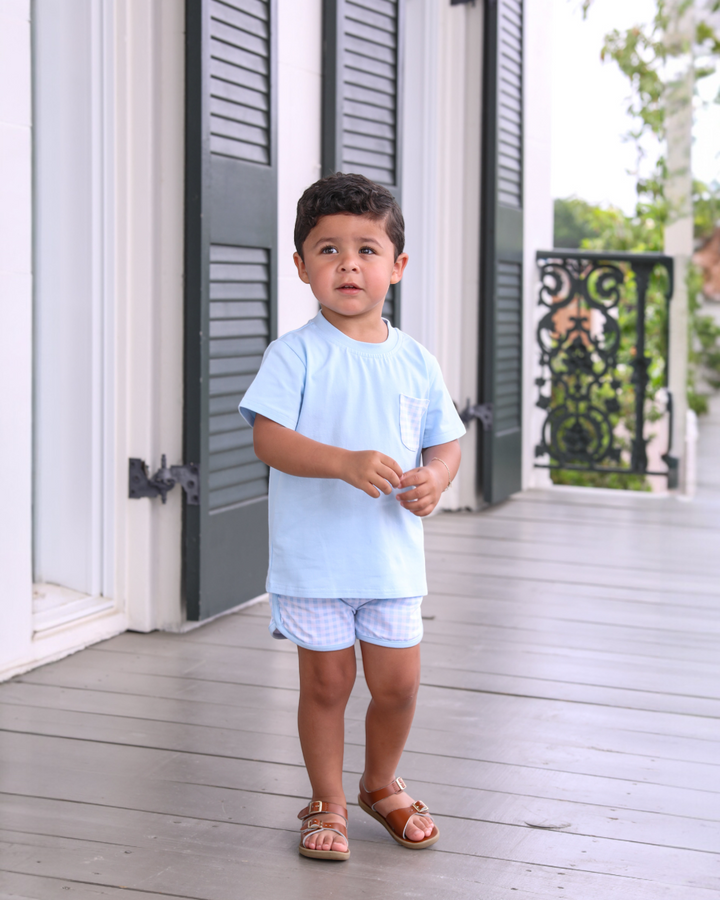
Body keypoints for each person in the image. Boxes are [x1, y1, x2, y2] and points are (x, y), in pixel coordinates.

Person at [239, 172, 465, 861]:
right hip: (315, 560)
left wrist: (435, 479)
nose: (347, 264)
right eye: (328, 249)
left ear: (396, 267)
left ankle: (380, 782)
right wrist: (341, 462)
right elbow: (268, 438)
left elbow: (445, 440)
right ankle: (327, 800)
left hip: (391, 557)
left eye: (366, 249)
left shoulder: (415, 360)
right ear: (302, 265)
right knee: (329, 682)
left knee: (398, 684)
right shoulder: (296, 353)